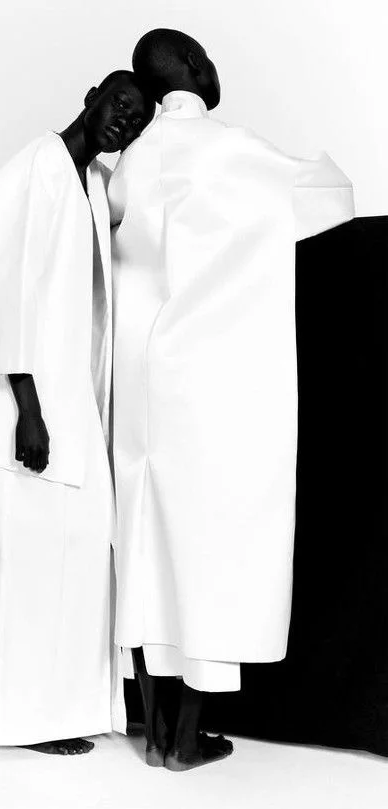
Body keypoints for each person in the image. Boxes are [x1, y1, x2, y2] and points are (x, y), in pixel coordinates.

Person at [108, 29, 355, 770]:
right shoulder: (228, 148)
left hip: (139, 384)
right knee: (213, 545)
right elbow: (328, 194)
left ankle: (154, 730)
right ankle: (186, 739)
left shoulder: (131, 162)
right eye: (204, 58)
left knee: (142, 544)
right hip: (211, 383)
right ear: (190, 67)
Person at [0, 71, 155, 755]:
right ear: (92, 96)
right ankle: (22, 719)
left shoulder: (92, 184)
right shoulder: (34, 170)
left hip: (71, 405)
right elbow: (9, 288)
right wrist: (28, 409)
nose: (124, 122)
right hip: (25, 408)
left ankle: (58, 707)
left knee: (74, 561)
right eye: (120, 105)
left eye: (138, 120)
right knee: (21, 568)